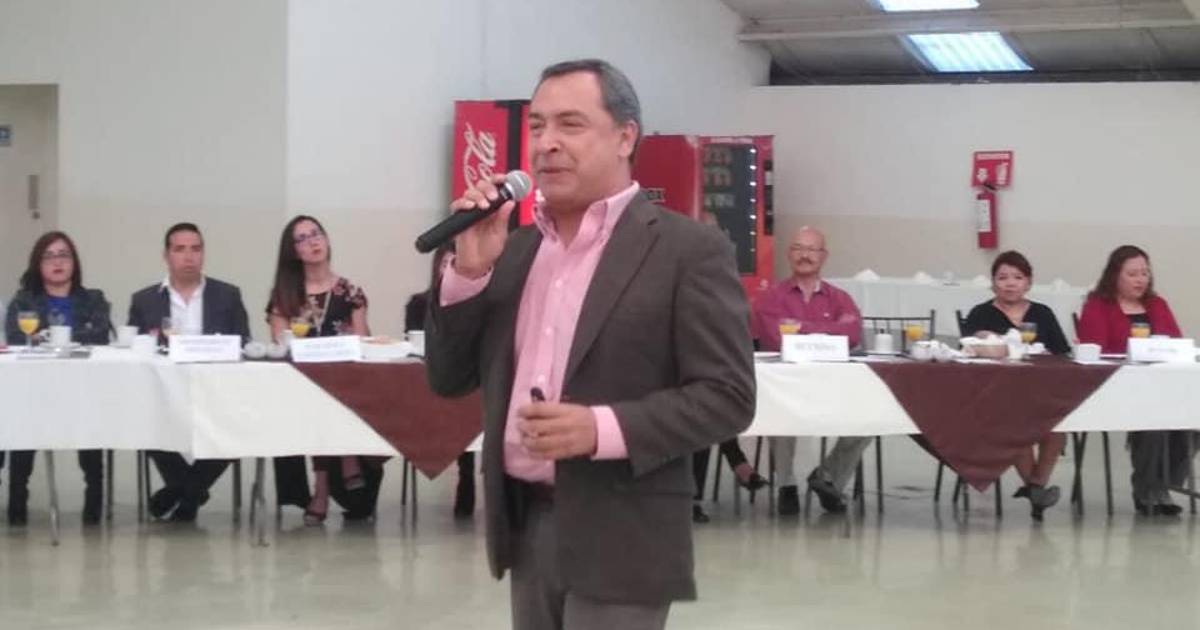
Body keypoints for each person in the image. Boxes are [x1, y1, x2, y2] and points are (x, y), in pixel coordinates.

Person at [425, 59, 755, 630]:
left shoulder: (686, 250)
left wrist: (601, 429)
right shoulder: (516, 250)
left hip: (626, 529)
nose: (546, 144)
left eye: (570, 124)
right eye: (537, 126)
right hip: (524, 524)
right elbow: (448, 379)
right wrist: (469, 274)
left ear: (626, 136)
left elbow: (728, 397)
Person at [128, 222, 250, 522]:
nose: (188, 256)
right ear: (166, 255)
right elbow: (137, 350)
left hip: (216, 390)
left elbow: (244, 342)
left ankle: (181, 491)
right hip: (164, 392)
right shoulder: (144, 300)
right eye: (180, 249)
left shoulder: (228, 295)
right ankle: (192, 491)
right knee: (144, 418)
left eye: (195, 249)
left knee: (236, 424)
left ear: (203, 253)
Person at [266, 215, 381, 525]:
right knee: (317, 394)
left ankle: (323, 485)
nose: (313, 241)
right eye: (302, 238)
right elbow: (280, 343)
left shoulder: (349, 291)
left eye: (316, 234)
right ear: (293, 251)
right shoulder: (285, 294)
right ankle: (339, 462)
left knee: (334, 391)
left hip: (346, 381)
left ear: (327, 240)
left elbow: (362, 341)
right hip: (300, 383)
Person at [751, 226, 864, 515]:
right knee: (779, 410)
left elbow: (852, 334)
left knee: (871, 416)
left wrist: (801, 328)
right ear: (789, 254)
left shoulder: (840, 298)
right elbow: (777, 338)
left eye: (812, 250)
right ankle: (786, 484)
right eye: (799, 248)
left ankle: (827, 477)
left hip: (832, 386)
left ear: (824, 256)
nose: (805, 255)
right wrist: (829, 331)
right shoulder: (771, 297)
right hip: (785, 386)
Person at [3, 231, 112, 525]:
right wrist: (72, 336)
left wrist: (45, 337)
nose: (57, 262)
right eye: (48, 257)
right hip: (34, 390)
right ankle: (17, 507)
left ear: (74, 262)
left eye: (64, 255)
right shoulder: (24, 300)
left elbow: (100, 335)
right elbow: (16, 338)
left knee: (92, 423)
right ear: (37, 265)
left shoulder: (93, 299)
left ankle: (93, 507)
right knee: (22, 424)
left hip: (82, 389)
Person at [1077, 245, 1191, 516]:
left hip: (1160, 385)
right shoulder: (1097, 305)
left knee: (1191, 419)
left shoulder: (1157, 304)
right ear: (1114, 276)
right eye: (1132, 274)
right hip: (1115, 386)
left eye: (1145, 273)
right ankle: (1146, 490)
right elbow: (1096, 351)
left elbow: (1176, 343)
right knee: (1153, 419)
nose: (1141, 280)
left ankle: (1163, 484)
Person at [962, 250, 1071, 520]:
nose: (1010, 283)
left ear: (1029, 282)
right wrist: (987, 342)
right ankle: (1037, 491)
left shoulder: (1042, 313)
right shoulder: (980, 314)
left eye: (1018, 277)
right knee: (1015, 424)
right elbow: (967, 354)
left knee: (1058, 425)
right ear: (993, 283)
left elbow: (1062, 353)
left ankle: (1035, 488)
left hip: (1041, 392)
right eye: (1003, 278)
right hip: (995, 396)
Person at [405, 244, 477, 519]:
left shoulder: (476, 302)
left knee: (467, 402)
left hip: (465, 378)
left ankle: (466, 474)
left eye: (455, 264)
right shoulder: (419, 303)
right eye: (445, 264)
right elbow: (412, 342)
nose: (449, 270)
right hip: (426, 378)